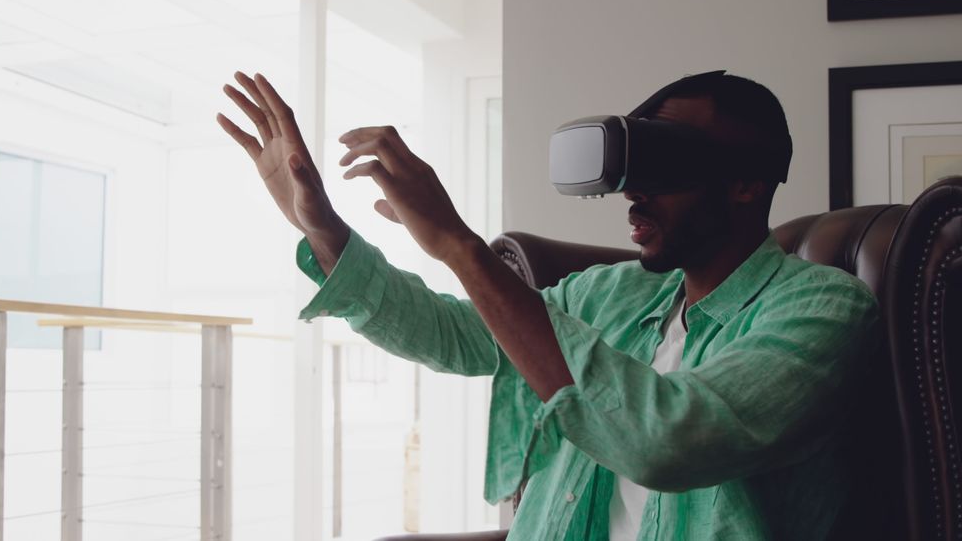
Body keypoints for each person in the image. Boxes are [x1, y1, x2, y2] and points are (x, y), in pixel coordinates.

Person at [216, 70, 878, 540]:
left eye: (666, 164)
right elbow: (458, 335)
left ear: (744, 184)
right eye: (634, 166)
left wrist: (458, 243)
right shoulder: (610, 292)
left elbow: (665, 443)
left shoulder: (822, 309)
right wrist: (324, 233)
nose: (635, 194)